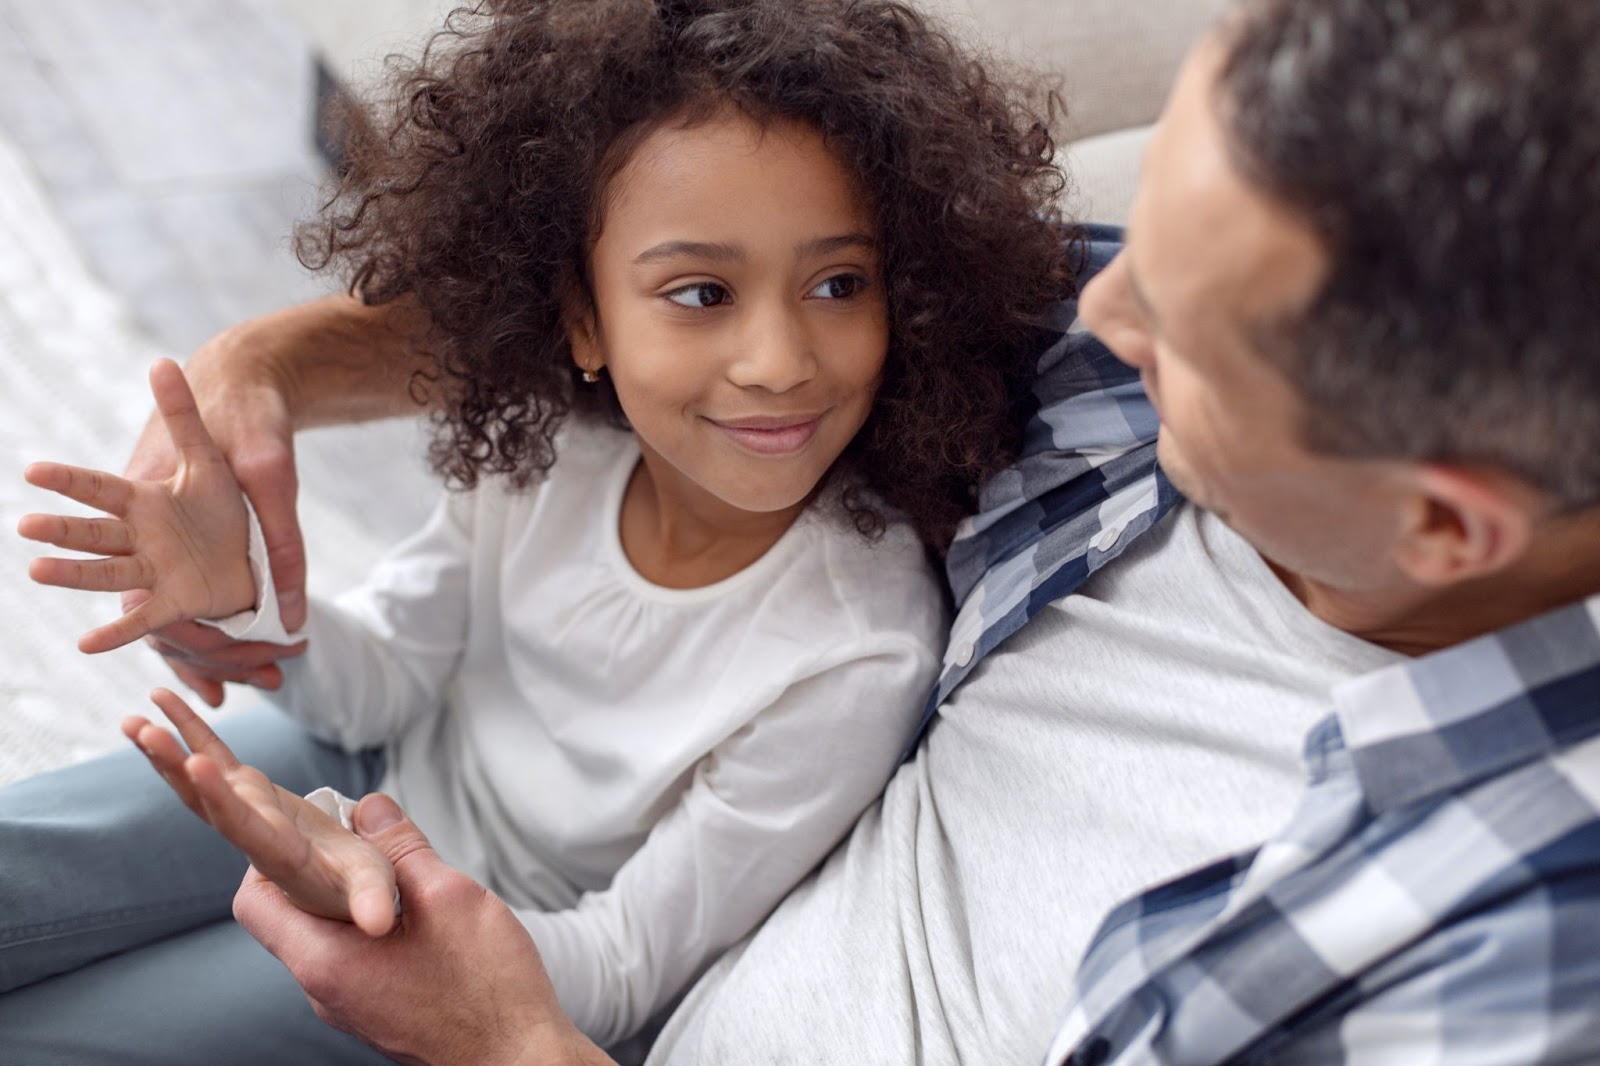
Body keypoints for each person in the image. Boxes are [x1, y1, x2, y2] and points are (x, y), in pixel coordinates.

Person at [29, 0, 1600, 1062]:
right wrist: (259, 381)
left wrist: (509, 1036)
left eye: (1177, 329)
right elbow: (616, 297)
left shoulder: (1487, 963)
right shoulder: (1142, 373)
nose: (1096, 308)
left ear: (1444, 524)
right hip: (432, 804)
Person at [1, 0, 1078, 1060]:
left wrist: (375, 891)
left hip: (484, 940)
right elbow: (383, 685)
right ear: (581, 317)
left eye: (838, 283)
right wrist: (238, 599)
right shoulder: (553, 454)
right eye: (701, 292)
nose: (779, 360)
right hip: (380, 760)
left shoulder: (857, 649)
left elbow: (615, 970)